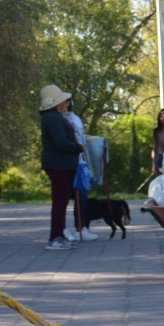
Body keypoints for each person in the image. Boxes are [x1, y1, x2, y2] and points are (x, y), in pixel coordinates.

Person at [37, 84, 82, 250]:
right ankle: (55, 237)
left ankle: (60, 235)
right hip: (59, 164)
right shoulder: (53, 118)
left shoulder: (52, 117)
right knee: (59, 202)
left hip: (60, 164)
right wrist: (78, 147)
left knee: (61, 202)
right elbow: (60, 142)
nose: (66, 104)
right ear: (56, 103)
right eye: (63, 101)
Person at [61, 99, 98, 242]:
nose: (63, 105)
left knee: (82, 196)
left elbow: (81, 139)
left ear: (69, 103)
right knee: (63, 197)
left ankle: (81, 228)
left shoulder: (75, 119)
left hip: (79, 162)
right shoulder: (57, 119)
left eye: (65, 102)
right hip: (64, 162)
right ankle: (62, 229)